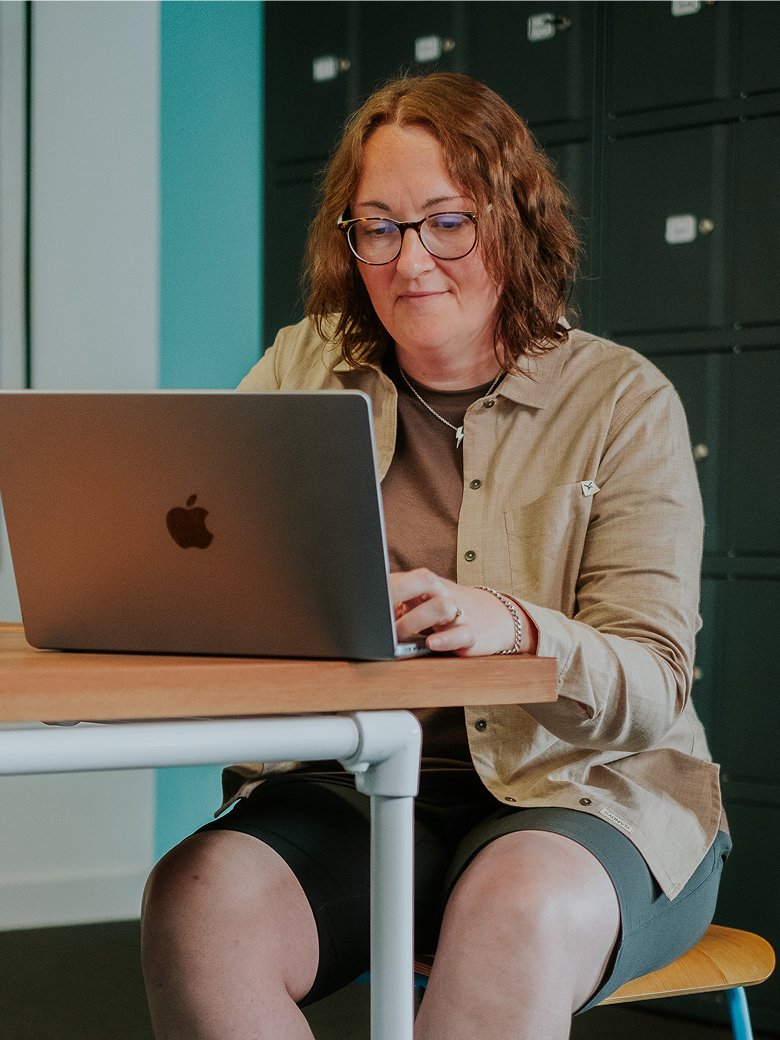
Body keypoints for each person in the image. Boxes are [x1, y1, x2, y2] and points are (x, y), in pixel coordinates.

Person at [140, 73, 730, 1040]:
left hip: (581, 791)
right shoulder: (303, 366)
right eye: (377, 227)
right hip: (361, 783)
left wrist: (517, 626)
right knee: (198, 902)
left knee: (513, 912)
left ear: (513, 222)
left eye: (446, 221)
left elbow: (656, 683)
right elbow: (209, 552)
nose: (410, 259)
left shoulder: (624, 402)